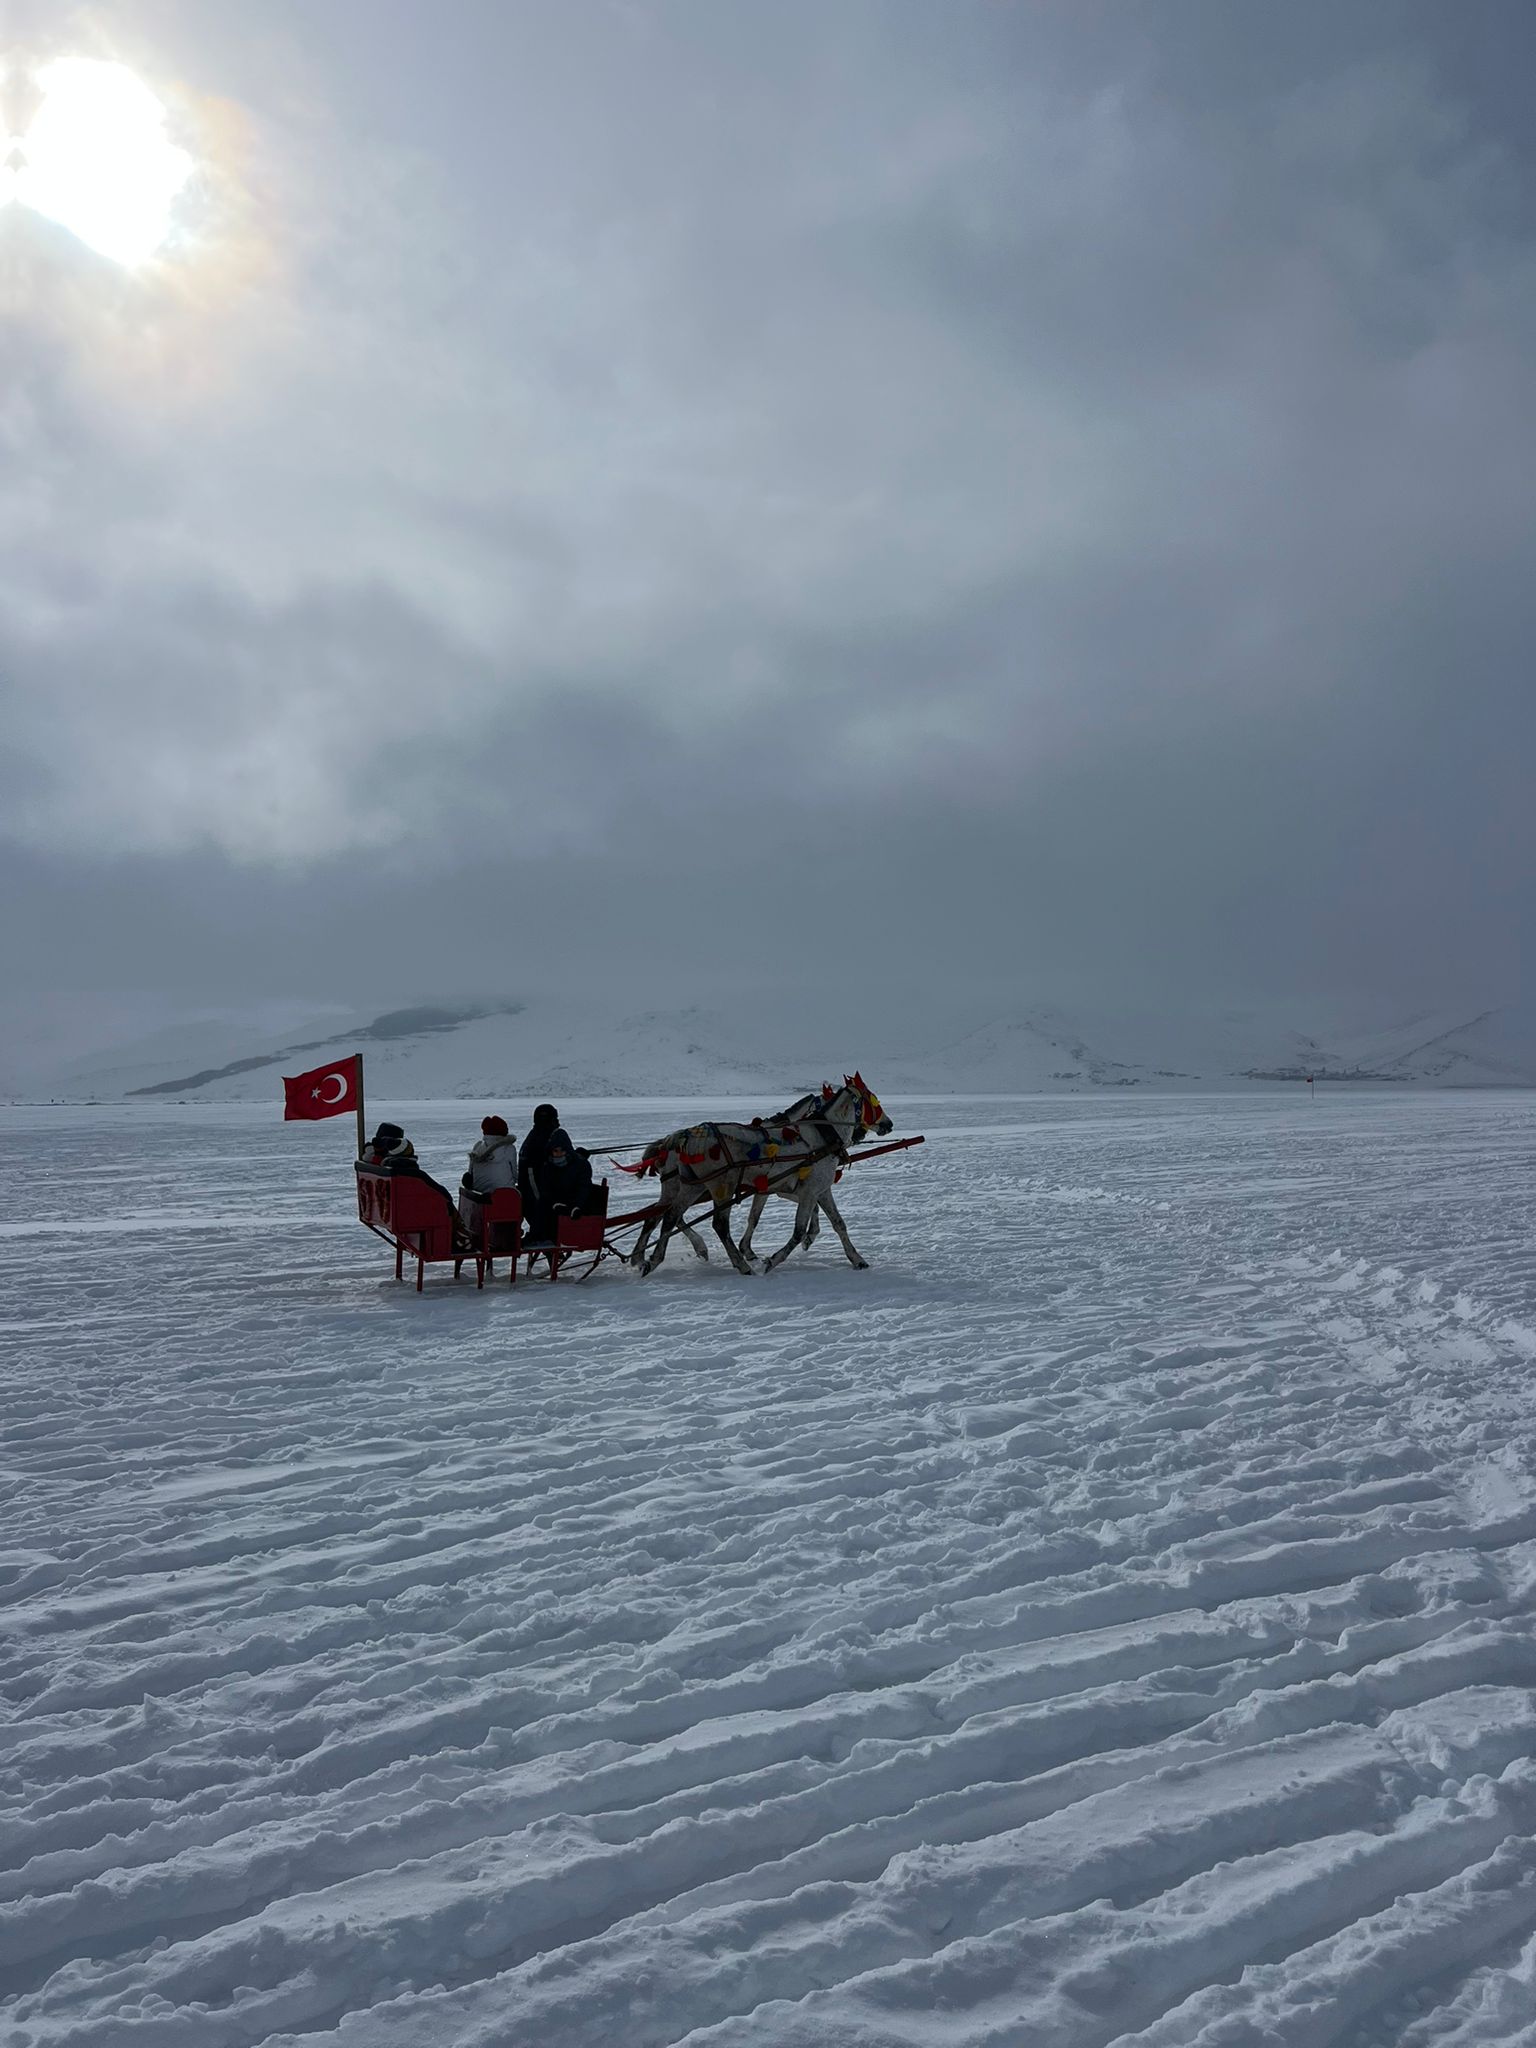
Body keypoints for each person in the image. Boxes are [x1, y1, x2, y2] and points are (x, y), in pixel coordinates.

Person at [518, 1103, 595, 1246]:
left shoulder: (536, 1136)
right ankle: (541, 1236)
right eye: (555, 1119)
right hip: (538, 1202)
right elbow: (547, 1172)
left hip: (533, 1198)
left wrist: (576, 1156)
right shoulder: (542, 1140)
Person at [458, 1114, 520, 1237]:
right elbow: (515, 1175)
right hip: (501, 1198)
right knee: (518, 1196)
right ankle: (511, 1234)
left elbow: (470, 1174)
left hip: (479, 1197)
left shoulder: (477, 1148)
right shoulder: (508, 1149)